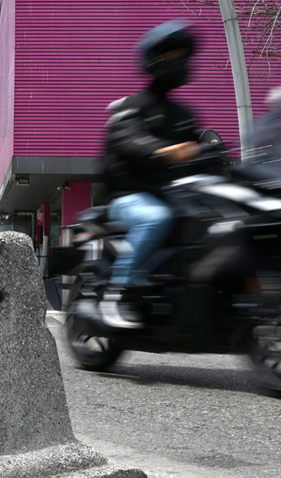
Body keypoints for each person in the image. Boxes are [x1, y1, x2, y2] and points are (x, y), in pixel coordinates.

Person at [99, 20, 201, 326]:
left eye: (184, 54)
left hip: (170, 195)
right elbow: (129, 139)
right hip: (128, 197)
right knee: (156, 218)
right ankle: (118, 292)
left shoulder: (184, 115)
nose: (180, 61)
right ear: (154, 58)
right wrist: (164, 150)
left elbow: (203, 153)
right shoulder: (132, 107)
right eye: (172, 53)